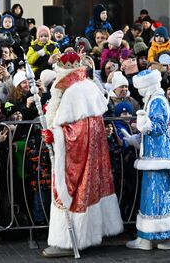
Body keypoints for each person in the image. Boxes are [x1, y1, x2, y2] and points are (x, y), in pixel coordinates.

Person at [40, 52, 123, 257]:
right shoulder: (86, 87)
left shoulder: (73, 92)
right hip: (92, 154)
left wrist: (55, 135)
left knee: (73, 192)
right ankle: (89, 235)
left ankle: (69, 241)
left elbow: (77, 133)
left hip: (79, 155)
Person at [124, 69, 170, 250]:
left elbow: (159, 127)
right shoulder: (153, 100)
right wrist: (137, 139)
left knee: (157, 196)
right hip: (153, 155)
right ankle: (150, 237)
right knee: (156, 195)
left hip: (158, 157)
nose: (138, 92)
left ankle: (161, 238)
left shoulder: (157, 101)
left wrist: (145, 126)